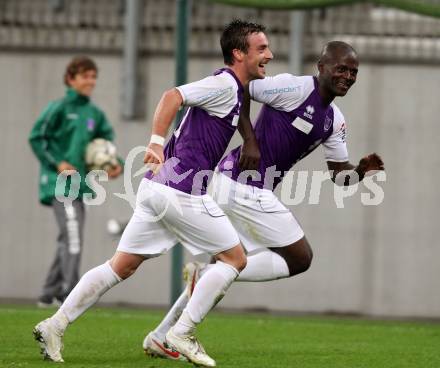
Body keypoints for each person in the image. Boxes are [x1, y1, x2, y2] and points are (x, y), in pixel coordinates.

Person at [33, 20, 273, 367]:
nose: (269, 54)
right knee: (235, 259)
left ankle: (54, 325)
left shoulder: (234, 90)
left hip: (158, 189)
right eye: (261, 48)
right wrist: (156, 143)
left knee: (120, 267)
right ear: (239, 53)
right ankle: (180, 333)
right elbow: (171, 96)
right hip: (181, 192)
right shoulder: (224, 83)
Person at [142, 41, 385, 360]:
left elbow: (339, 176)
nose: (348, 76)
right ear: (322, 67)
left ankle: (161, 336)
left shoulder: (334, 121)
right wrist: (250, 139)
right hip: (240, 184)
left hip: (241, 186)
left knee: (225, 265)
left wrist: (360, 171)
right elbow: (242, 88)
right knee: (300, 257)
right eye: (341, 69)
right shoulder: (293, 87)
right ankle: (196, 293)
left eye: (353, 72)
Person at [29, 56, 123, 308]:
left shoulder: (94, 114)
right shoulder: (58, 108)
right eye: (85, 76)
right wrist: (57, 162)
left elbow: (106, 144)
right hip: (60, 184)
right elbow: (37, 138)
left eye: (93, 77)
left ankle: (48, 293)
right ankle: (69, 294)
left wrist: (117, 164)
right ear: (70, 79)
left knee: (69, 237)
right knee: (72, 238)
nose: (90, 81)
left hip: (81, 186)